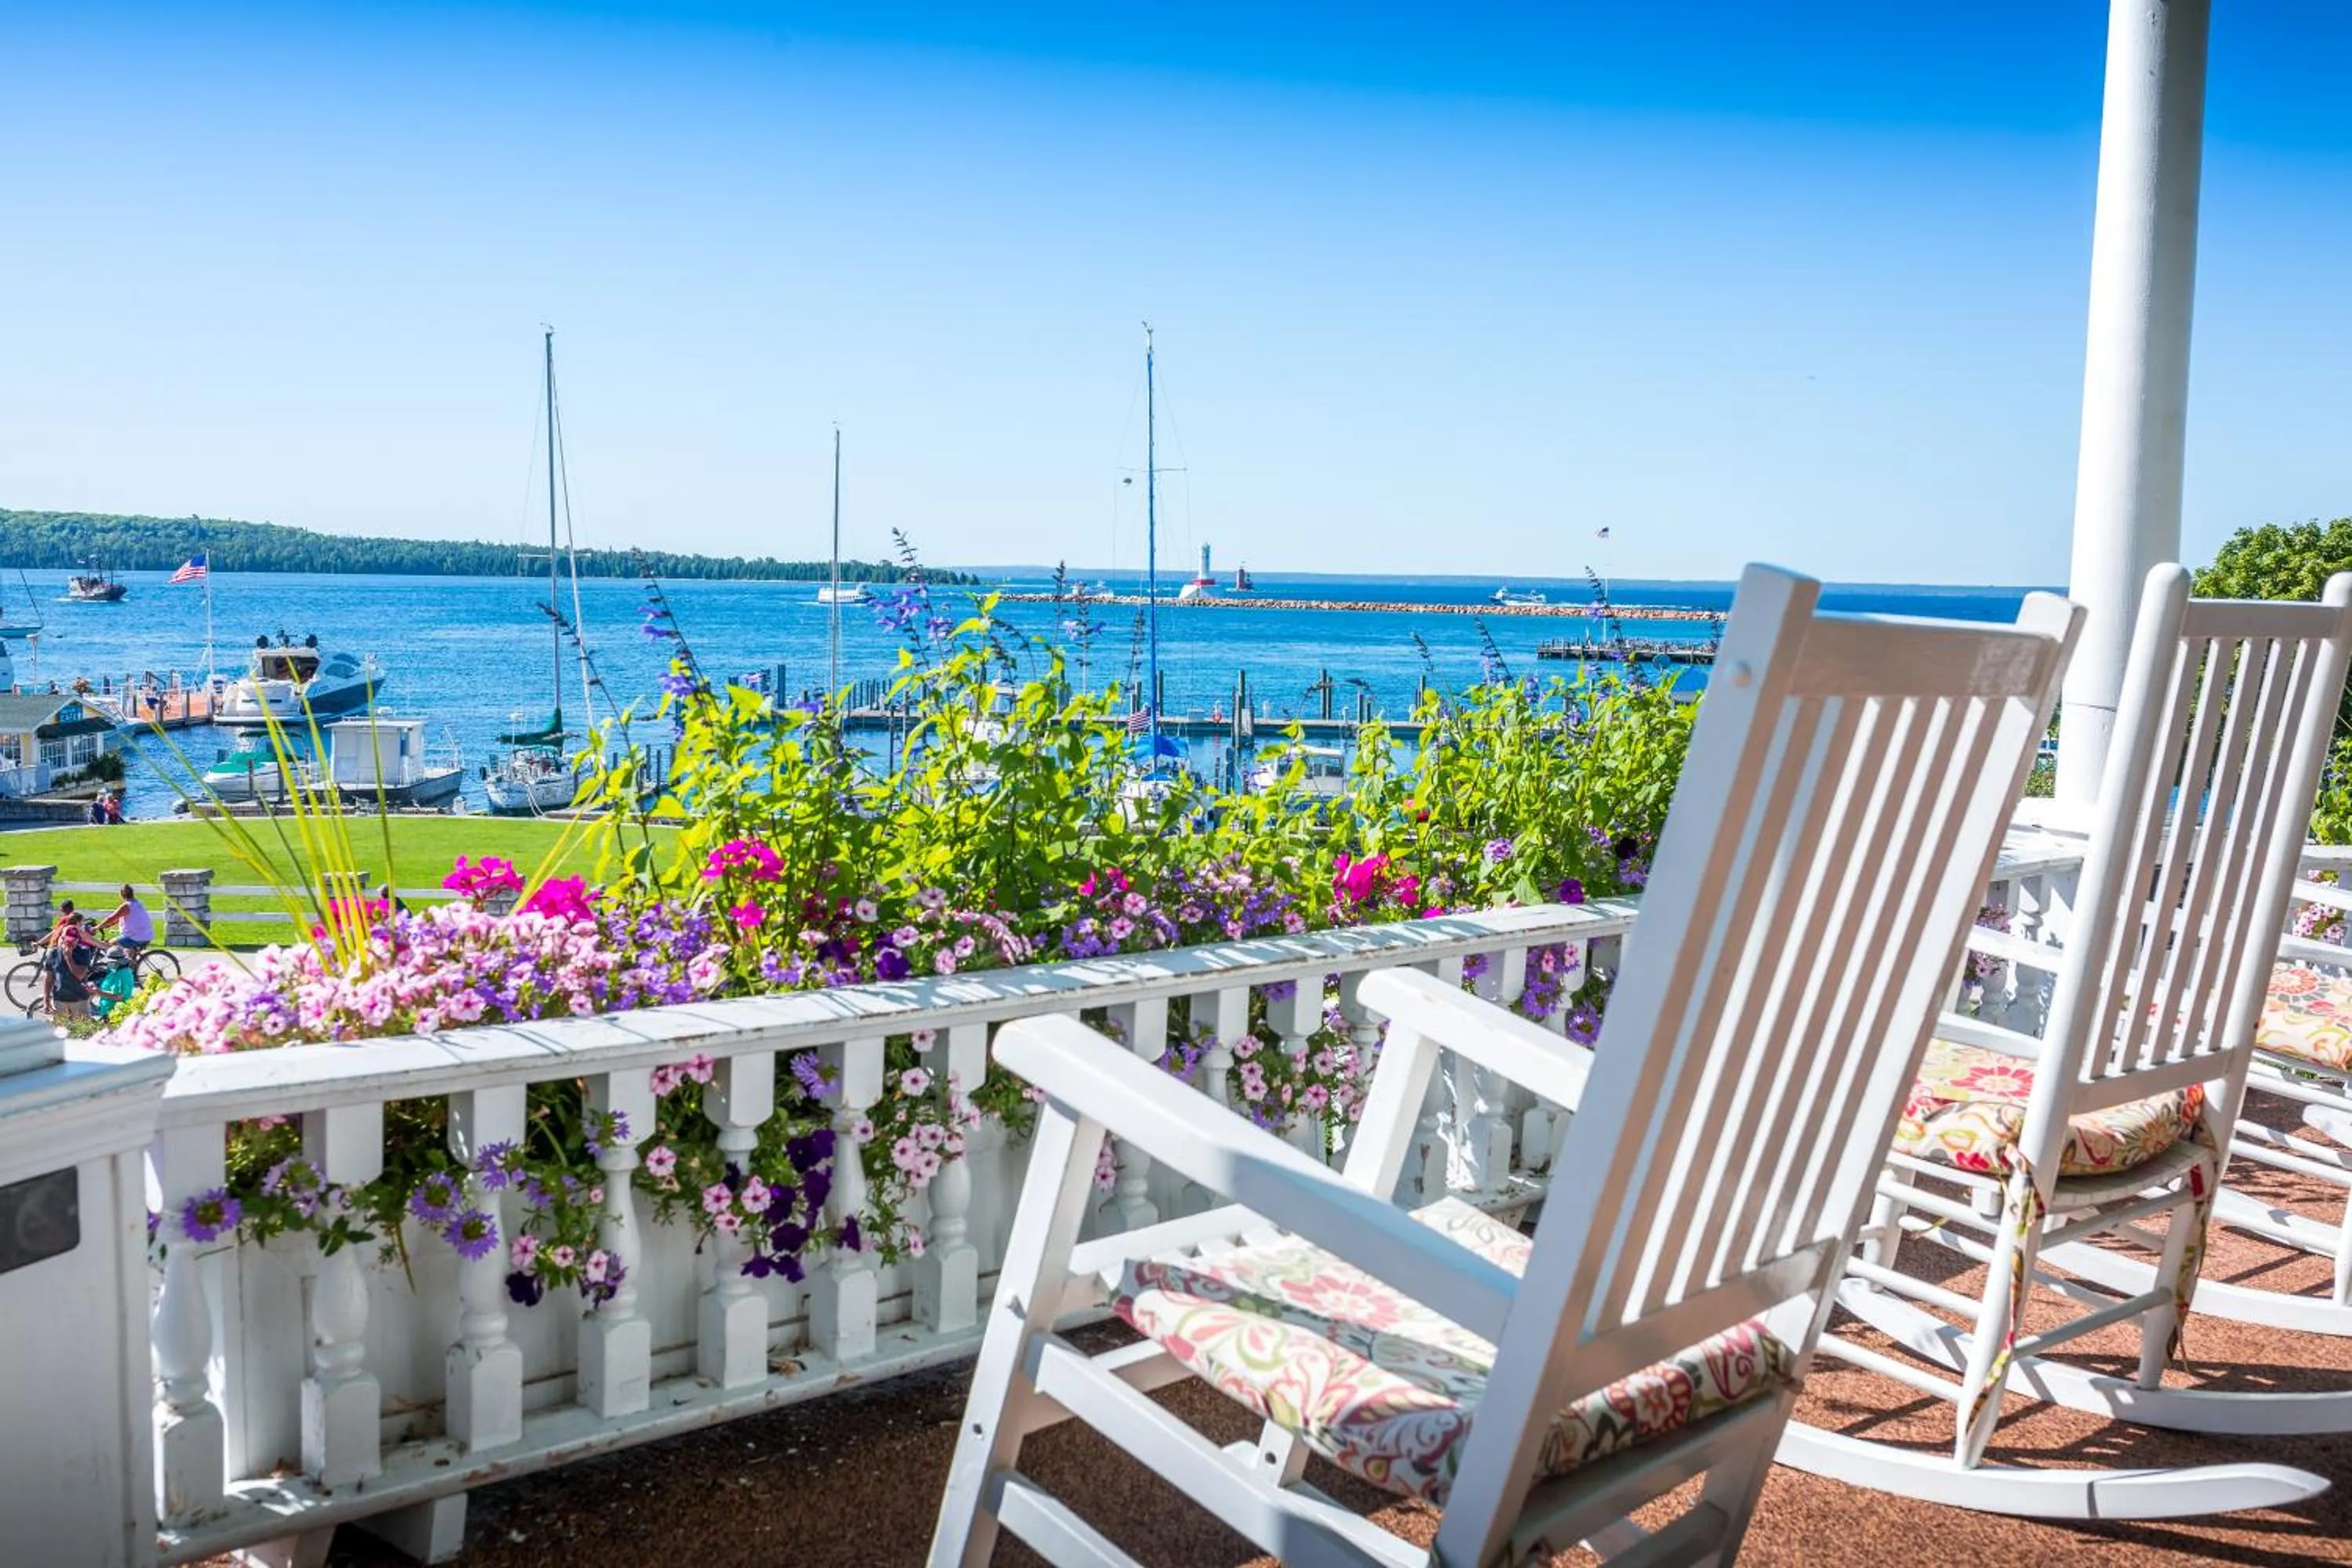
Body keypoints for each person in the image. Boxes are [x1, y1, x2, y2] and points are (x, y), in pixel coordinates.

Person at [41, 912, 96, 1021]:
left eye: (72, 941)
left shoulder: (84, 952)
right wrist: (46, 1000)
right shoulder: (53, 953)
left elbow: (79, 975)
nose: (69, 944)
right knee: (62, 1033)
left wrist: (69, 957)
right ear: (62, 938)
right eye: (67, 941)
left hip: (79, 1000)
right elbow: (48, 977)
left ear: (77, 940)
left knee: (82, 1034)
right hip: (60, 1000)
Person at [96, 884, 154, 957]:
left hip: (135, 938)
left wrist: (96, 927)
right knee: (128, 953)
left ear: (121, 895)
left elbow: (110, 918)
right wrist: (108, 925)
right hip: (147, 936)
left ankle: (122, 966)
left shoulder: (126, 906)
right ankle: (132, 966)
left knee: (108, 945)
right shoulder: (138, 903)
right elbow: (119, 918)